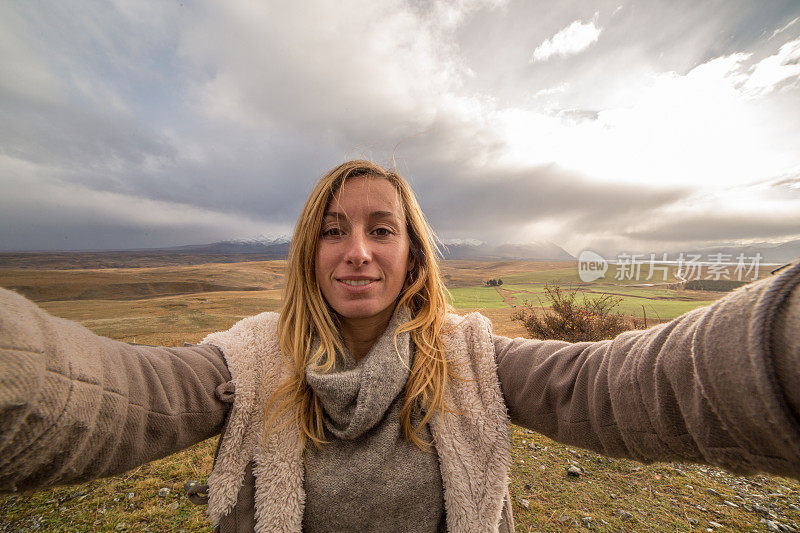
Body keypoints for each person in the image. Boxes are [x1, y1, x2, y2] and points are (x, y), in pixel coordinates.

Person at [0, 159, 799, 533]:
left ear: (413, 255)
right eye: (334, 231)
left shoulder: (473, 358)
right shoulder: (246, 359)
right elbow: (118, 394)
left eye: (382, 230)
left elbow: (615, 385)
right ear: (308, 254)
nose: (358, 251)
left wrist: (774, 351)